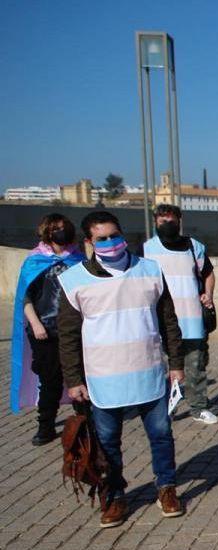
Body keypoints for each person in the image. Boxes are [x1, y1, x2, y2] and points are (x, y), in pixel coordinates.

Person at [57, 211, 186, 528]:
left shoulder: (150, 270)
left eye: (114, 235)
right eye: (101, 238)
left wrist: (177, 364)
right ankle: (113, 497)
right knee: (107, 443)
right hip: (103, 379)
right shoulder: (74, 281)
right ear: (88, 242)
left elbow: (169, 320)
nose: (110, 242)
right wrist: (74, 381)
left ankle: (167, 489)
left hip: (149, 371)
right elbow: (69, 336)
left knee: (161, 435)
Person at [10, 213, 86, 444]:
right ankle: (46, 426)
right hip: (44, 331)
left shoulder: (79, 260)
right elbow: (24, 297)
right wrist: (35, 323)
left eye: (63, 228)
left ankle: (85, 422)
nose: (60, 232)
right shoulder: (34, 261)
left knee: (80, 377)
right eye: (55, 229)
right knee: (50, 381)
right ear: (46, 232)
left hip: (75, 331)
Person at [142, 203, 218, 424]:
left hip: (192, 319)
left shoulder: (194, 246)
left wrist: (209, 294)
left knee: (196, 366)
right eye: (162, 220)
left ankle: (199, 407)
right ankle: (165, 409)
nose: (167, 224)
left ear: (179, 220)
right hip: (160, 321)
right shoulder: (146, 249)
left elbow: (208, 274)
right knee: (162, 368)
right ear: (155, 221)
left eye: (171, 220)